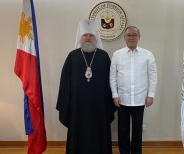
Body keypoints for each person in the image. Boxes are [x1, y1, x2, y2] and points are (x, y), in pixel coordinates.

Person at [56, 20, 116, 154]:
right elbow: (65, 82)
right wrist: (66, 102)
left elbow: (111, 80)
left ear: (95, 37)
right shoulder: (72, 56)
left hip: (99, 105)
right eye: (85, 35)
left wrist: (111, 100)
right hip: (77, 106)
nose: (88, 38)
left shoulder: (103, 56)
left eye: (91, 35)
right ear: (80, 37)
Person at [110, 26, 157, 154]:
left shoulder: (148, 55)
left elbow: (153, 76)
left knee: (137, 130)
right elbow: (112, 76)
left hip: (140, 99)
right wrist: (114, 95)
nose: (131, 37)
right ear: (124, 38)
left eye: (134, 35)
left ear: (139, 37)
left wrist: (151, 95)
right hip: (122, 99)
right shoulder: (117, 54)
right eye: (129, 35)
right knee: (123, 130)